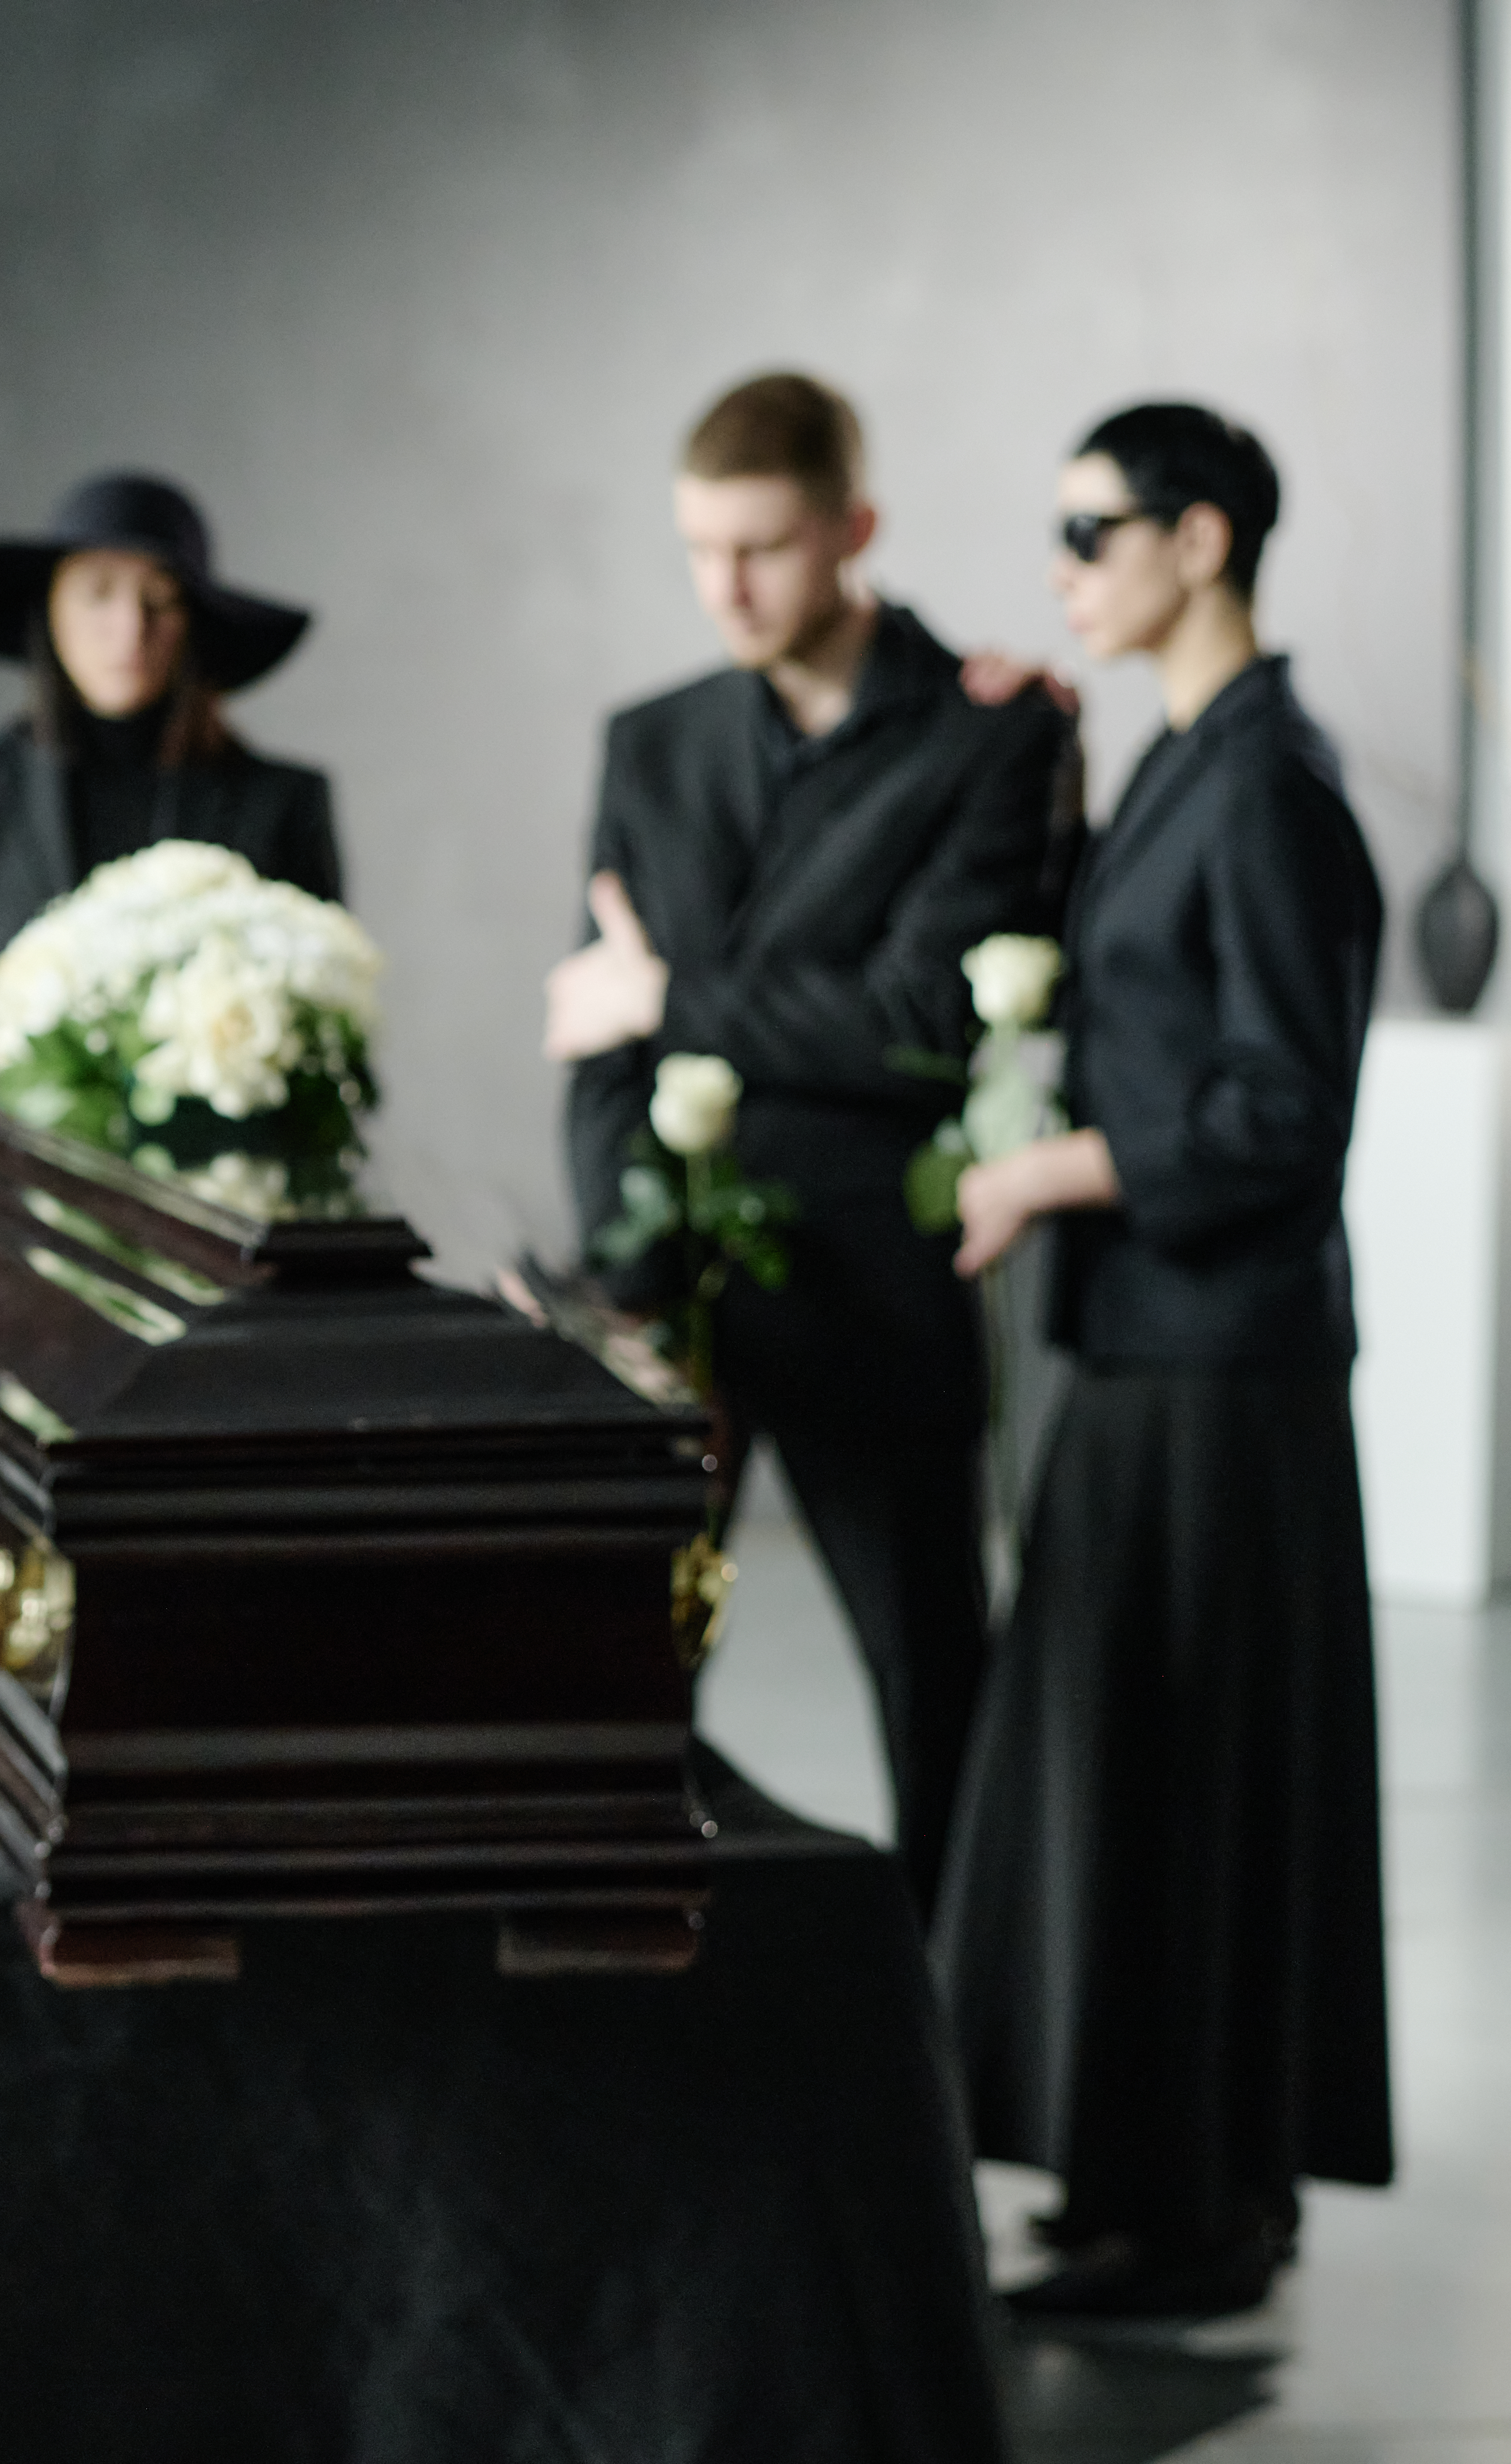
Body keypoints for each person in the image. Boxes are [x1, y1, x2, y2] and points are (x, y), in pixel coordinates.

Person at [936, 402, 1391, 2322]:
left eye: (1089, 530)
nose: (1064, 564)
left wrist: (1051, 1166)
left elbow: (1283, 1111)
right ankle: (1172, 2185)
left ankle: (1196, 2207)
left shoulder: (1270, 782)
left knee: (1189, 1769)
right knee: (1151, 1765)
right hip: (1156, 1346)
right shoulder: (1185, 763)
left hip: (1215, 1362)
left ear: (1199, 540)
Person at [543, 371, 1072, 1917]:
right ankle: (645, 2016)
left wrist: (674, 996)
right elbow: (596, 1039)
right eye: (699, 550)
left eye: (763, 548)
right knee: (616, 1690)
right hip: (667, 1295)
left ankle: (956, 2062)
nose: (726, 588)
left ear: (854, 529)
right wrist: (619, 1272)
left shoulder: (987, 731)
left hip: (875, 1284)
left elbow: (923, 1021)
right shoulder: (647, 742)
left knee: (933, 1687)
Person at [0, 470, 338, 1146]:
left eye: (161, 601)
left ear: (194, 624)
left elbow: (323, 1043)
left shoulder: (280, 805)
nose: (129, 628)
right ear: (51, 608)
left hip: (213, 1208)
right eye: (99, 594)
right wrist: (38, 1104)